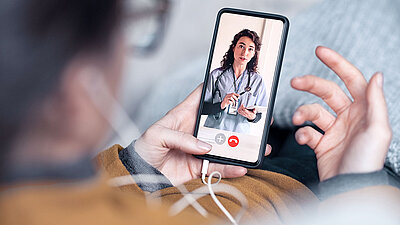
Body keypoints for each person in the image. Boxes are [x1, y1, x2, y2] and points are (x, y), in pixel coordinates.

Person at [0, 0, 399, 225]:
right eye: (129, 29)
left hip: (231, 162)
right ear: (78, 86)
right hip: (327, 192)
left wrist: (134, 168)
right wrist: (358, 187)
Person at [202, 29, 269, 133]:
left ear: (254, 54)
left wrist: (251, 116)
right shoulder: (216, 75)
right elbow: (202, 108)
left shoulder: (257, 81)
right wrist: (221, 104)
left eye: (250, 49)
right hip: (213, 131)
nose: (244, 52)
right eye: (241, 46)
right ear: (234, 48)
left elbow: (258, 115)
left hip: (239, 136)